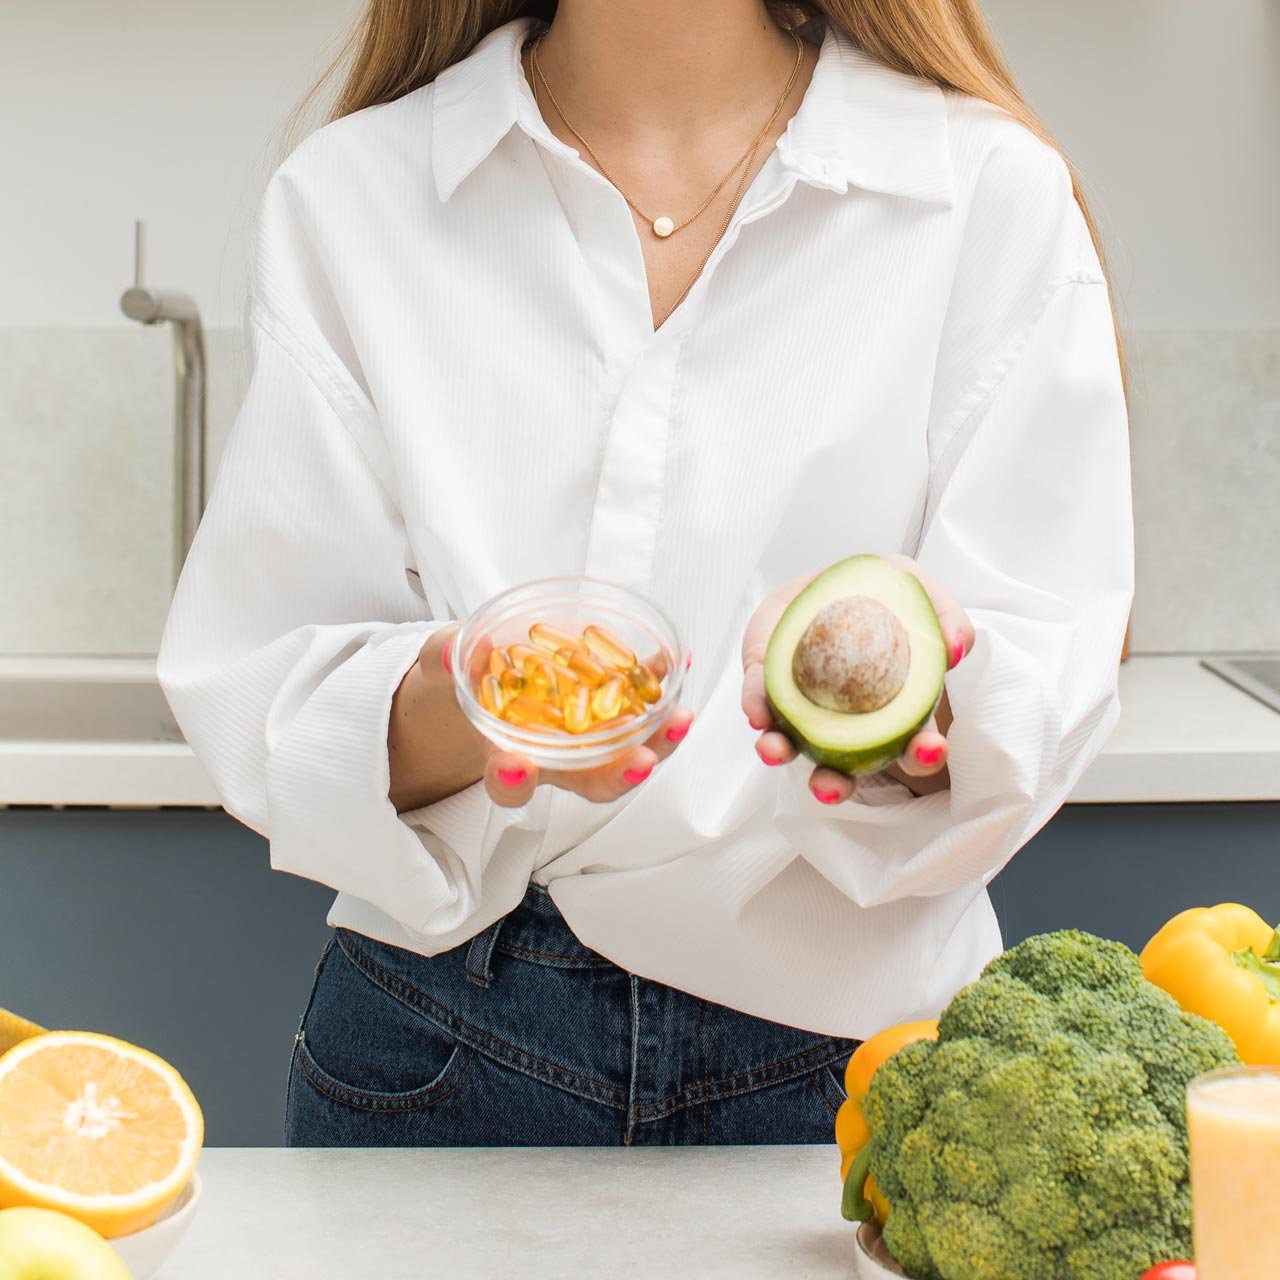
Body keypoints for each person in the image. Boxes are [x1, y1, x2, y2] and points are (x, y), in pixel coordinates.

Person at [157, 0, 1134, 1147]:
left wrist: (901, 697)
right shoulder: (351, 195)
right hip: (438, 1044)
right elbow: (271, 678)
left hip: (862, 1067)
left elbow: (1038, 671)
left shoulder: (987, 194)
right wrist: (488, 694)